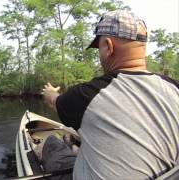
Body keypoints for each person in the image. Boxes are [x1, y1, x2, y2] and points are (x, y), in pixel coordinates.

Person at [42, 10, 179, 179]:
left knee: (51, 143)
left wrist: (48, 91)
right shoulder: (174, 87)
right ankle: (76, 148)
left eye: (98, 47)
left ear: (108, 46)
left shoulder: (89, 94)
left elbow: (53, 101)